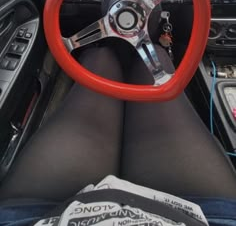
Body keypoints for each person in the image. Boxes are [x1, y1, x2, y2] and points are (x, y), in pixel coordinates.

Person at [0, 45, 236, 226]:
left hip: (41, 216)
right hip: (203, 216)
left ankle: (108, 48)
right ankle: (145, 49)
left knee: (101, 57)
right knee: (153, 56)